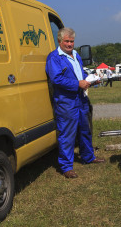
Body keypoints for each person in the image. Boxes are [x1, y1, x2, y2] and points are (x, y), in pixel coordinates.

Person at [46, 27, 105, 179]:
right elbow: (57, 79)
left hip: (81, 98)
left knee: (85, 129)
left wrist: (91, 78)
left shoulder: (76, 55)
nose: (70, 44)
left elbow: (81, 74)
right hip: (66, 101)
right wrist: (77, 84)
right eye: (67, 41)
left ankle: (88, 156)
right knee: (67, 133)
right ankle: (66, 167)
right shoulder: (54, 57)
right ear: (60, 41)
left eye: (72, 41)